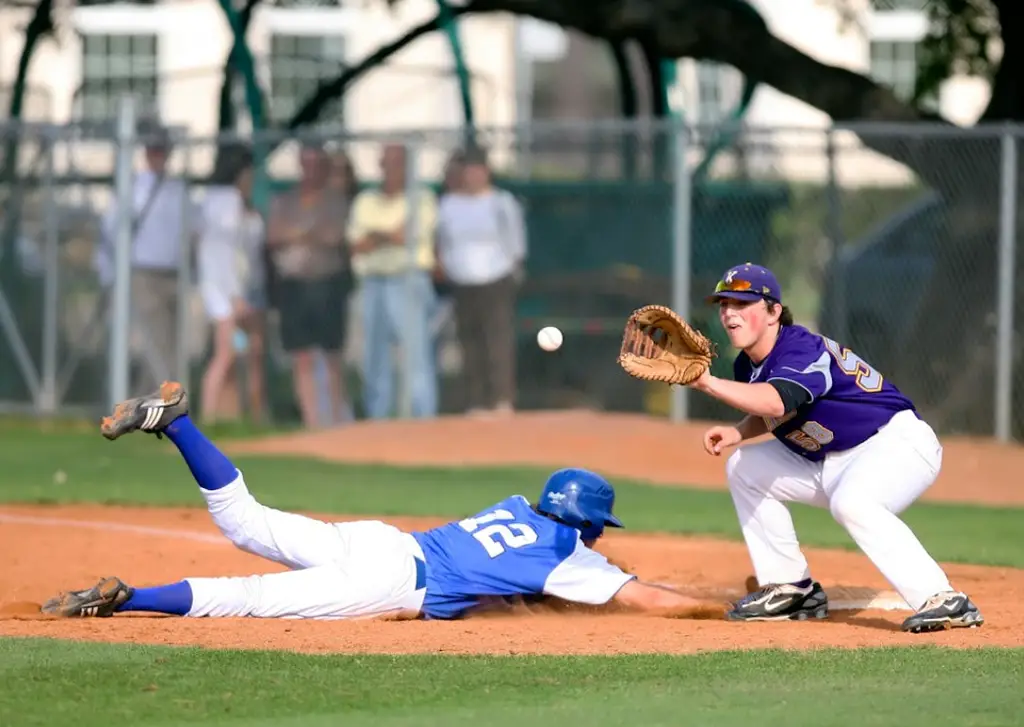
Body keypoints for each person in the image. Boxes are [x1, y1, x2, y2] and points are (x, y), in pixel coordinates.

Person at [40, 382, 724, 622]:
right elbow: (647, 600)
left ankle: (177, 421)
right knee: (245, 594)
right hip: (390, 579)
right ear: (583, 523)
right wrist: (723, 606)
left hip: (381, 540)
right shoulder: (563, 555)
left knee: (244, 520)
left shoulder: (519, 505)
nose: (598, 541)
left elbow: (517, 580)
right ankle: (125, 599)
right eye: (597, 529)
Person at [691, 262, 983, 634]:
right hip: (832, 459)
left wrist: (706, 383)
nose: (729, 313)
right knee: (744, 467)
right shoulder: (747, 365)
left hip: (895, 444)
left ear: (773, 312)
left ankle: (943, 599)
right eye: (723, 304)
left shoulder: (800, 348)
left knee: (853, 503)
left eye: (741, 303)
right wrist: (739, 432)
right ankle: (791, 590)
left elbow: (780, 400)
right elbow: (775, 410)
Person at [347, 143, 439, 420]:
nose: (391, 168)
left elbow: (407, 237)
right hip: (373, 281)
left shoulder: (421, 198)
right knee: (374, 357)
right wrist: (387, 235)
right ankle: (377, 420)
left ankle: (422, 419)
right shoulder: (365, 201)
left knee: (416, 355)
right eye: (386, 162)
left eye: (397, 163)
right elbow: (357, 245)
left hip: (408, 280)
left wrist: (376, 236)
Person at [265, 142, 353, 429]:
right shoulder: (285, 200)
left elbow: (334, 236)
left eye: (317, 164)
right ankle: (312, 421)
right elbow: (274, 235)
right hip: (294, 287)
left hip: (327, 284)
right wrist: (309, 232)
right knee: (300, 355)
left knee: (331, 355)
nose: (311, 170)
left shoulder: (335, 200)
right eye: (307, 163)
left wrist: (297, 233)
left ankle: (337, 419)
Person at [434, 146, 527, 416]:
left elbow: (515, 242)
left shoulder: (501, 202)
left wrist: (511, 270)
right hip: (462, 280)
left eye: (478, 170)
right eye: (468, 171)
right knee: (468, 341)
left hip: (495, 278)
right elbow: (442, 242)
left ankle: (502, 399)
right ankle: (476, 401)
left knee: (497, 340)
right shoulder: (449, 204)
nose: (473, 176)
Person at [196, 143, 267, 424]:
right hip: (227, 293)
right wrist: (236, 296)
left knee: (249, 353)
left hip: (245, 290)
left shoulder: (234, 202)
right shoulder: (225, 202)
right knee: (227, 354)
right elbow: (227, 254)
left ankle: (245, 415)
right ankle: (210, 416)